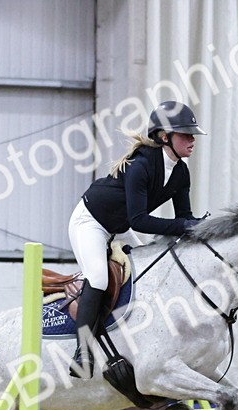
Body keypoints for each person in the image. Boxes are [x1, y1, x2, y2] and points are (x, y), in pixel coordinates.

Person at [67, 100, 207, 377]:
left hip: (118, 224)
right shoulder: (141, 165)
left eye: (192, 135)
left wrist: (198, 228)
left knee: (151, 271)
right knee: (97, 278)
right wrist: (187, 225)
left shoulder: (181, 172)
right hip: (91, 222)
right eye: (185, 135)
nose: (192, 140)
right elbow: (140, 221)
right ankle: (81, 352)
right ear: (165, 137)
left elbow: (184, 217)